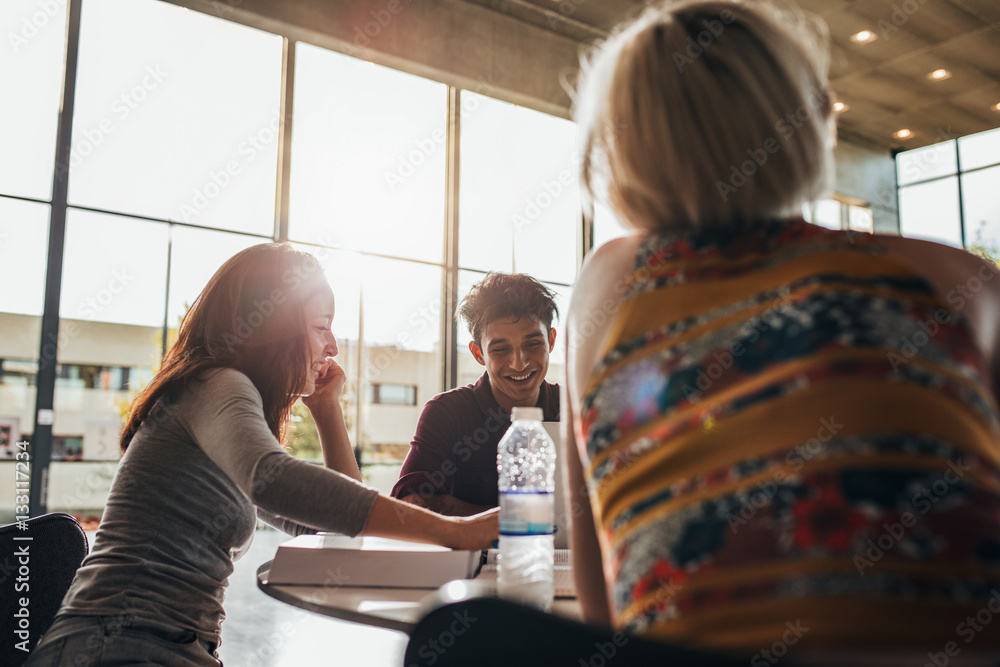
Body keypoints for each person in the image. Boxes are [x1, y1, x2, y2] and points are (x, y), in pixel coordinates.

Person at [564, 0, 1000, 663]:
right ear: (808, 118)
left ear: (620, 145)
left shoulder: (608, 288)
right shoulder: (953, 280)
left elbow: (606, 613)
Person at [26, 244, 497, 667]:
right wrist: (454, 531)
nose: (332, 347)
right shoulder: (215, 382)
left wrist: (327, 410)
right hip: (119, 646)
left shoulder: (224, 409)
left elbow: (329, 527)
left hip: (165, 646)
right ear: (272, 327)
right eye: (320, 327)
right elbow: (272, 478)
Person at [391, 272, 560, 515]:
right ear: (478, 354)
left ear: (551, 341)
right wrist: (514, 521)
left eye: (533, 344)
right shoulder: (446, 412)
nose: (519, 363)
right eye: (500, 349)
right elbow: (410, 504)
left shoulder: (573, 407)